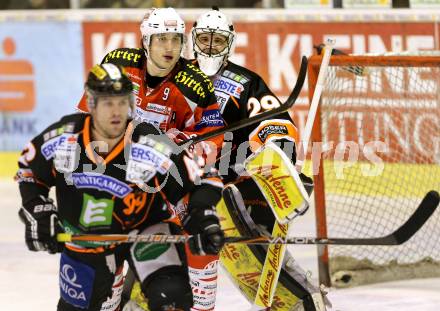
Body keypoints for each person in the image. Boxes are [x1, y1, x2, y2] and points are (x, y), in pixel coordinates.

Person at [16, 63, 225, 311]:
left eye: (122, 102)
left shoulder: (150, 143)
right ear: (91, 104)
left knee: (172, 297)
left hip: (146, 233)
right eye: (108, 103)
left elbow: (204, 178)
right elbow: (29, 172)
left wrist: (203, 215)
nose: (116, 111)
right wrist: (39, 212)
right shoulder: (64, 137)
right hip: (86, 239)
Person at [191, 7, 329, 311]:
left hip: (240, 189)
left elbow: (274, 124)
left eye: (218, 40)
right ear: (193, 39)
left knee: (256, 261)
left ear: (229, 43)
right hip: (188, 188)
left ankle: (303, 303)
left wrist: (278, 152)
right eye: (204, 39)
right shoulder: (179, 78)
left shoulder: (245, 82)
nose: (210, 47)